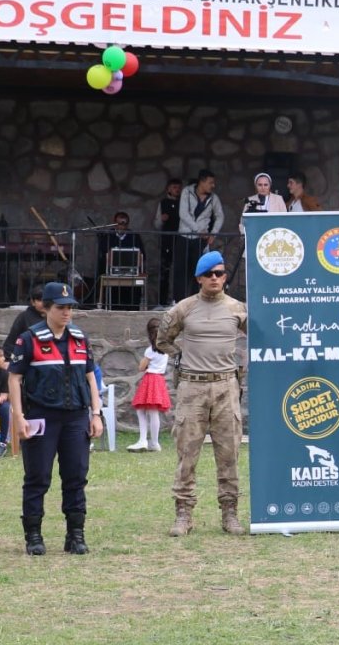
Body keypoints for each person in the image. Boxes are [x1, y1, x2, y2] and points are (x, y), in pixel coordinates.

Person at [7, 282, 104, 556]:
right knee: (37, 477)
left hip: (75, 417)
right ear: (46, 308)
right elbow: (14, 378)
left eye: (70, 307)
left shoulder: (79, 338)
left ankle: (75, 534)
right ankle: (34, 536)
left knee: (76, 477)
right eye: (61, 308)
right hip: (42, 416)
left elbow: (90, 377)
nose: (67, 312)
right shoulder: (28, 339)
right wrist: (19, 416)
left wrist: (95, 414)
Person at [156, 250, 247, 537]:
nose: (215, 278)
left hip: (225, 387)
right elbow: (162, 339)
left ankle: (230, 512)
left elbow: (264, 336)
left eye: (220, 273)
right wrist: (181, 356)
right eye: (209, 274)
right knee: (187, 452)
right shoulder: (183, 309)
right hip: (192, 388)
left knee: (229, 451)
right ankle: (183, 513)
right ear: (199, 278)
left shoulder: (237, 309)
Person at [178, 169, 226, 302]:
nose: (213, 185)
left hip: (201, 240)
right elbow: (183, 214)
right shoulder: (187, 192)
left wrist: (213, 233)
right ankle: (178, 301)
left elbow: (220, 216)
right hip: (184, 237)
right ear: (202, 181)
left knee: (199, 271)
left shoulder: (213, 198)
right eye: (211, 182)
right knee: (181, 271)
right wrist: (198, 229)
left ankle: (196, 300)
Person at [127, 317, 172, 453]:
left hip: (150, 379)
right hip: (159, 380)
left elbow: (141, 367)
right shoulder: (166, 348)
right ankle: (155, 442)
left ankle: (143, 440)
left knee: (141, 411)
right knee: (153, 412)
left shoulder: (150, 351)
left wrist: (144, 363)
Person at [96, 211, 145, 309]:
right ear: (114, 223)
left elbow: (142, 254)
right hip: (112, 271)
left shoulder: (134, 236)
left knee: (134, 289)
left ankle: (133, 308)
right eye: (119, 223)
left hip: (130, 272)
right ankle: (110, 307)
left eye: (124, 224)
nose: (122, 227)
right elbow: (102, 255)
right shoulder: (108, 236)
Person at [153, 178, 182, 305]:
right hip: (167, 241)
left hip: (180, 241)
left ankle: (178, 300)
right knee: (165, 271)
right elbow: (157, 224)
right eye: (174, 187)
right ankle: (162, 302)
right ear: (169, 189)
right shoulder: (163, 203)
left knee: (179, 271)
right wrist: (161, 219)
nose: (177, 190)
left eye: (179, 187)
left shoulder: (183, 203)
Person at [5, 285, 46, 352]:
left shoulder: (55, 317)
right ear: (33, 302)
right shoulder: (24, 317)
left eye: (46, 300)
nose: (44, 304)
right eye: (40, 300)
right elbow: (11, 343)